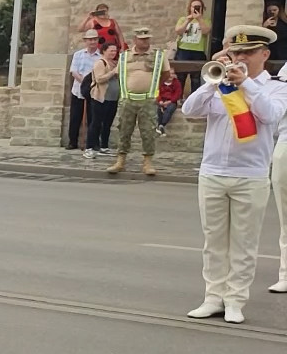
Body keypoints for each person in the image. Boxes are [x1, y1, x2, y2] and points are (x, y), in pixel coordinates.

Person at [183, 26, 285, 325]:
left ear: (264, 54)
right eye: (236, 52)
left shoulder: (275, 86)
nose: (240, 58)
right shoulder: (220, 83)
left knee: (243, 244)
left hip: (250, 175)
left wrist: (246, 85)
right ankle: (213, 297)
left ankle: (235, 300)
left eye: (248, 52)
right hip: (213, 172)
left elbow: (271, 115)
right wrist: (211, 82)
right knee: (213, 242)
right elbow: (189, 110)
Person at [108, 28, 165, 177]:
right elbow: (119, 74)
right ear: (135, 40)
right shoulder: (125, 56)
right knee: (124, 130)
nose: (145, 42)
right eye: (142, 39)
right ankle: (120, 160)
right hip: (128, 99)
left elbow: (165, 74)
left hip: (148, 99)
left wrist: (152, 88)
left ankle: (148, 162)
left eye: (147, 39)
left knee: (148, 131)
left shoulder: (158, 56)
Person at [67, 30, 101, 150]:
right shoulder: (78, 55)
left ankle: (92, 143)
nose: (92, 42)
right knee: (75, 117)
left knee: (93, 118)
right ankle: (72, 141)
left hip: (93, 90)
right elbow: (74, 71)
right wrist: (84, 83)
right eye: (90, 40)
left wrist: (90, 84)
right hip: (78, 89)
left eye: (95, 39)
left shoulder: (100, 57)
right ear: (85, 41)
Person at [85, 43, 121, 158]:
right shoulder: (100, 63)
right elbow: (99, 79)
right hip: (101, 98)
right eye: (111, 50)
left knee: (107, 123)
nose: (113, 53)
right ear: (104, 51)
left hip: (113, 98)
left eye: (115, 51)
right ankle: (89, 147)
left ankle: (104, 146)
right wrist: (113, 72)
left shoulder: (115, 63)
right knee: (96, 122)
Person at [174, 0, 210, 83]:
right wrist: (187, 20)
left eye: (199, 7)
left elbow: (205, 31)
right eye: (194, 6)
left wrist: (199, 19)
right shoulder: (183, 19)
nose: (196, 8)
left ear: (202, 8)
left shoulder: (206, 20)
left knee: (196, 78)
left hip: (198, 51)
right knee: (180, 77)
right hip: (183, 50)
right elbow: (178, 31)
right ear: (190, 8)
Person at [156, 66, 184, 133]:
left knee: (170, 109)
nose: (171, 75)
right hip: (161, 101)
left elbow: (177, 94)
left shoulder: (176, 83)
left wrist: (169, 101)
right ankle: (159, 125)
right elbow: (157, 92)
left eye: (172, 73)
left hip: (171, 101)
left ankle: (162, 125)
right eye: (169, 74)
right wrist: (160, 101)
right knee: (157, 109)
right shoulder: (160, 82)